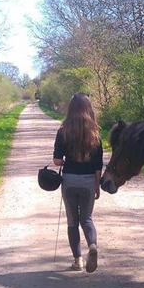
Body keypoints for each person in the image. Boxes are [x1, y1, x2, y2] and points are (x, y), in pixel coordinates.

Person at [53, 93, 103, 272]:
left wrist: (67, 161)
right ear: (89, 108)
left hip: (69, 181)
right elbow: (98, 165)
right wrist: (97, 185)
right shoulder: (95, 132)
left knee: (72, 222)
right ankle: (92, 246)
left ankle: (78, 261)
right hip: (89, 181)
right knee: (87, 219)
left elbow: (57, 161)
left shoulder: (63, 130)